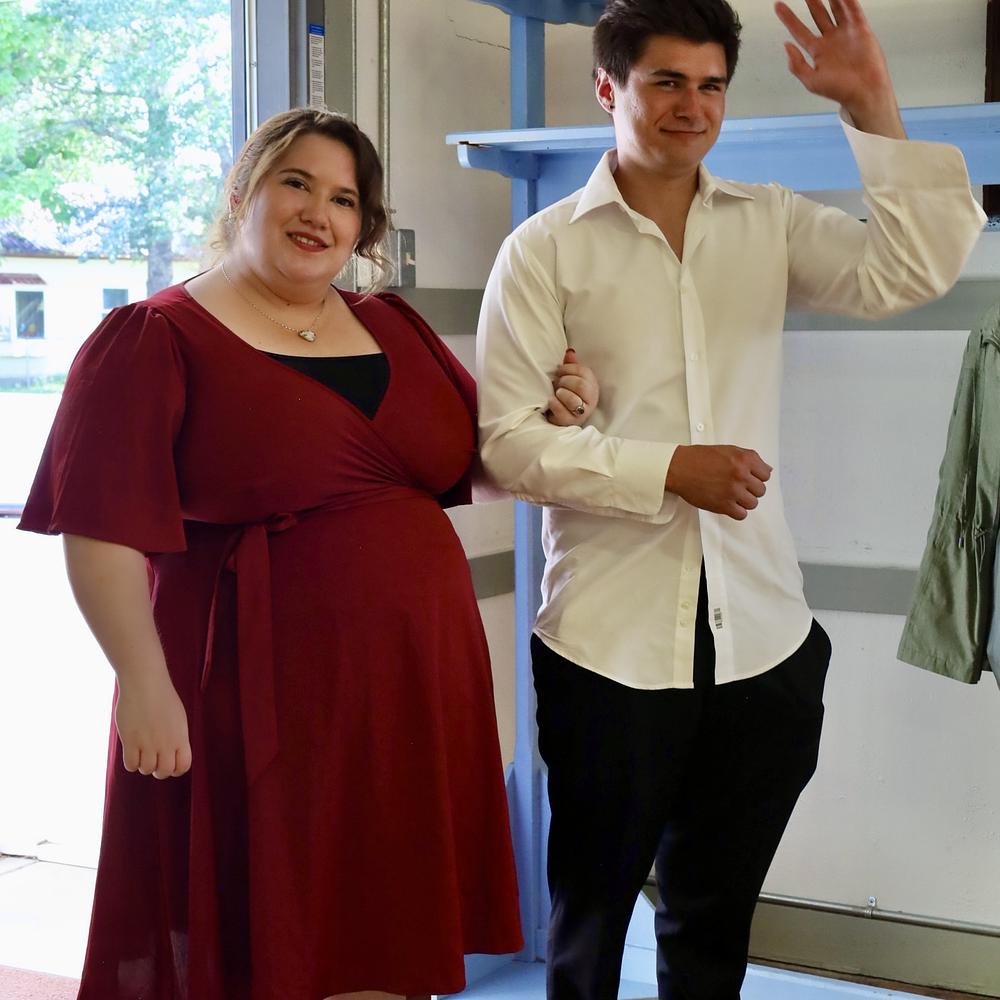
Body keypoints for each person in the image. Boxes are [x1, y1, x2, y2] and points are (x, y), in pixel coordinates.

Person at [18, 108, 598, 1000]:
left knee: (388, 932)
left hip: (410, 686)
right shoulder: (152, 336)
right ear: (243, 192)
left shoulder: (392, 325)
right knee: (274, 935)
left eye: (344, 198)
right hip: (252, 685)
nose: (318, 213)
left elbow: (475, 467)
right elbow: (101, 530)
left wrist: (551, 418)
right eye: (296, 183)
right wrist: (143, 684)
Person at [475, 1, 987, 998]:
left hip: (762, 641)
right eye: (666, 81)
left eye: (711, 85)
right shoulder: (543, 249)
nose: (692, 106)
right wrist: (669, 469)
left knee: (713, 926)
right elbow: (509, 445)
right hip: (606, 645)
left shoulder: (768, 220)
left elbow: (912, 269)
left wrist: (872, 101)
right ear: (608, 87)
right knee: (589, 920)